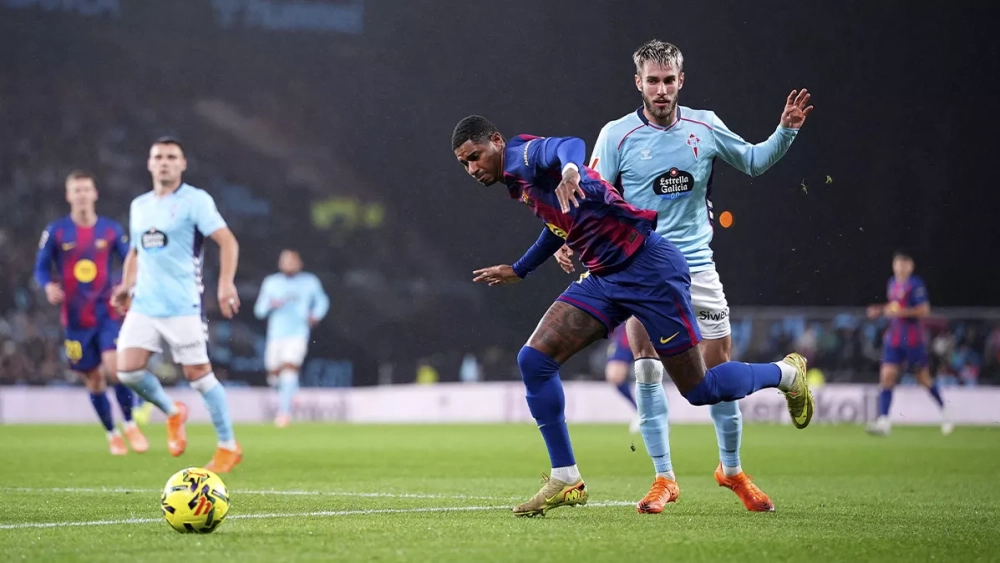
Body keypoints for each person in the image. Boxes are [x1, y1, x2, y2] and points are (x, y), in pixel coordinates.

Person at [451, 115, 814, 517]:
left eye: (475, 156)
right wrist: (520, 269)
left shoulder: (524, 155)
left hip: (650, 271)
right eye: (464, 164)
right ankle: (567, 477)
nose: (472, 168)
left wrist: (570, 170)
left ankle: (786, 374)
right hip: (605, 278)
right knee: (534, 360)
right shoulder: (520, 181)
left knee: (700, 389)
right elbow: (557, 227)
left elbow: (568, 142)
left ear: (496, 141)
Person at [560, 38, 814, 513]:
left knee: (719, 371)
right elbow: (590, 196)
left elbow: (753, 161)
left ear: (681, 81)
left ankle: (732, 470)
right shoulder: (616, 135)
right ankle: (664, 478)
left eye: (668, 80)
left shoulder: (705, 125)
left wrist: (785, 131)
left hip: (697, 267)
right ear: (638, 83)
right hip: (640, 268)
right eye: (652, 81)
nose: (661, 89)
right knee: (645, 363)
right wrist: (568, 240)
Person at [111, 137, 243, 473]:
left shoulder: (196, 201)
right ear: (149, 164)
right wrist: (126, 287)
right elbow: (136, 252)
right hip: (144, 304)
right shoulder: (140, 205)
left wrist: (225, 283)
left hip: (182, 305)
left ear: (183, 164)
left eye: (171, 157)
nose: (164, 162)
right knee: (127, 371)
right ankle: (172, 412)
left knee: (198, 376)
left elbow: (227, 242)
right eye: (158, 157)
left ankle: (228, 445)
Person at [33, 170, 149, 455]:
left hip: (107, 312)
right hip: (75, 319)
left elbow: (131, 259)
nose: (82, 195)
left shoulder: (110, 230)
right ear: (69, 195)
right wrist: (48, 286)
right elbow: (41, 267)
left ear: (95, 193)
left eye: (86, 189)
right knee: (94, 378)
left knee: (115, 370)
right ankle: (112, 433)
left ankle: (130, 424)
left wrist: (126, 284)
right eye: (77, 190)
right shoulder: (57, 231)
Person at [866, 251, 951, 436]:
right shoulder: (892, 283)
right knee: (887, 376)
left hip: (912, 340)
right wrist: (879, 310)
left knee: (923, 379)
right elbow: (894, 306)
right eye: (898, 264)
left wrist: (900, 313)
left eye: (904, 264)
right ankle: (884, 422)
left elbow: (923, 310)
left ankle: (945, 412)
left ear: (911, 266)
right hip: (894, 339)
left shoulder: (915, 284)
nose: (900, 268)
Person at [254, 249, 329, 427]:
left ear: (299, 263)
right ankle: (291, 390)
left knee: (289, 367)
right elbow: (259, 311)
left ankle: (284, 413)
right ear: (280, 263)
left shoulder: (309, 281)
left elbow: (322, 301)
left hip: (298, 333)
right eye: (285, 261)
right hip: (276, 335)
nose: (289, 264)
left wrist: (316, 315)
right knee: (274, 376)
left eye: (292, 261)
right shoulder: (271, 282)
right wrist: (270, 305)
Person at [605, 324, 641, 433]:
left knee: (651, 374)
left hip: (638, 331)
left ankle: (656, 416)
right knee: (614, 377)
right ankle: (640, 411)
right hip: (623, 336)